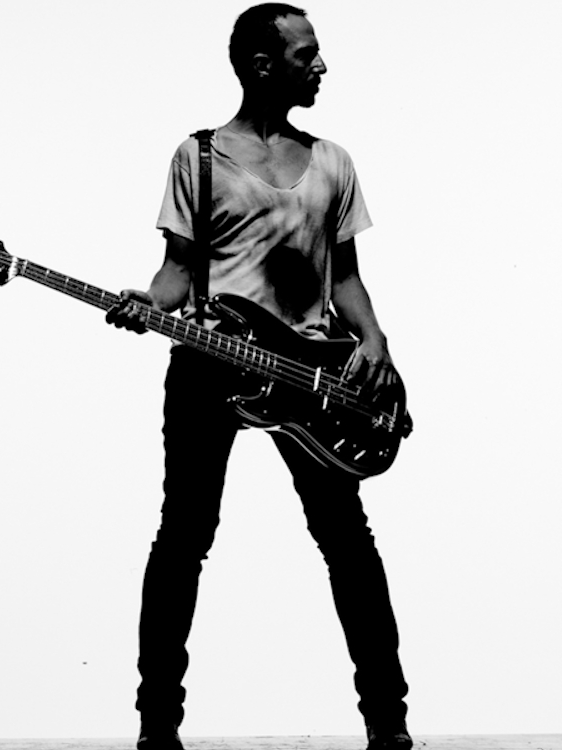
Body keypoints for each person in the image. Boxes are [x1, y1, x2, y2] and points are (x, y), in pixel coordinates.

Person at [107, 5, 412, 749]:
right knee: (184, 537)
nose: (322, 66)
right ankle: (156, 726)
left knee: (346, 540)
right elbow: (178, 272)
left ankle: (389, 723)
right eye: (307, 54)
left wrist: (374, 339)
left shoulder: (334, 161)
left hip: (311, 377)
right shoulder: (199, 156)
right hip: (210, 368)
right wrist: (149, 303)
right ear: (262, 64)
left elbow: (345, 278)